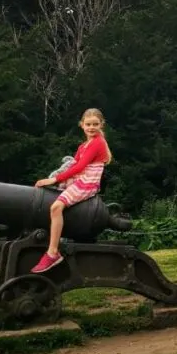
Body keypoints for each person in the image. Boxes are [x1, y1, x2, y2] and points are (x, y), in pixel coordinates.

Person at [30, 108, 113, 273]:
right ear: (82, 125)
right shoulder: (84, 145)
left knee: (56, 207)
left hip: (87, 183)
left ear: (101, 125)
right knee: (47, 192)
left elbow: (81, 166)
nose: (91, 127)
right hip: (80, 179)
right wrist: (56, 177)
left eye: (95, 124)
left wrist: (54, 179)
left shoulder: (98, 143)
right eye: (88, 124)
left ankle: (53, 252)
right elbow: (74, 164)